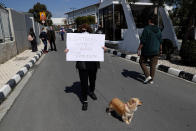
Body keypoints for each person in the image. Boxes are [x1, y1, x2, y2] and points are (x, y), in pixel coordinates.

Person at [64, 26, 107, 111]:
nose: (85, 32)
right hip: (82, 66)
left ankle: (91, 91)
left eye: (86, 30)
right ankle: (84, 100)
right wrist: (68, 51)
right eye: (83, 30)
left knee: (92, 80)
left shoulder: (95, 39)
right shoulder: (77, 40)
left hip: (93, 65)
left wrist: (104, 49)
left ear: (90, 31)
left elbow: (100, 49)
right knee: (83, 83)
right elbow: (72, 49)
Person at [137, 16, 162, 84]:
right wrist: (161, 50)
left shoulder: (146, 29)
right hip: (156, 50)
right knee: (153, 65)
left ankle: (148, 76)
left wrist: (139, 49)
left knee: (141, 62)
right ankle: (151, 80)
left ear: (149, 21)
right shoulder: (159, 30)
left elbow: (143, 41)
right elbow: (160, 41)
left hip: (146, 50)